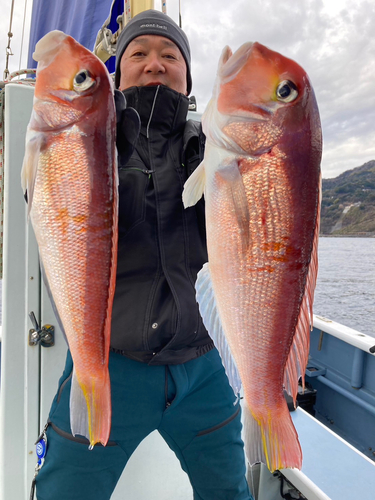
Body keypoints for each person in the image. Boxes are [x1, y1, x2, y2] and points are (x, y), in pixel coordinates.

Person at [35, 9, 253, 500]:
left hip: (202, 366)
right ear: (119, 68)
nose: (155, 63)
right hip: (110, 362)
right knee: (64, 492)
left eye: (170, 55)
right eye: (139, 53)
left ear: (188, 74)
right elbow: (51, 201)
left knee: (229, 490)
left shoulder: (213, 148)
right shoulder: (93, 137)